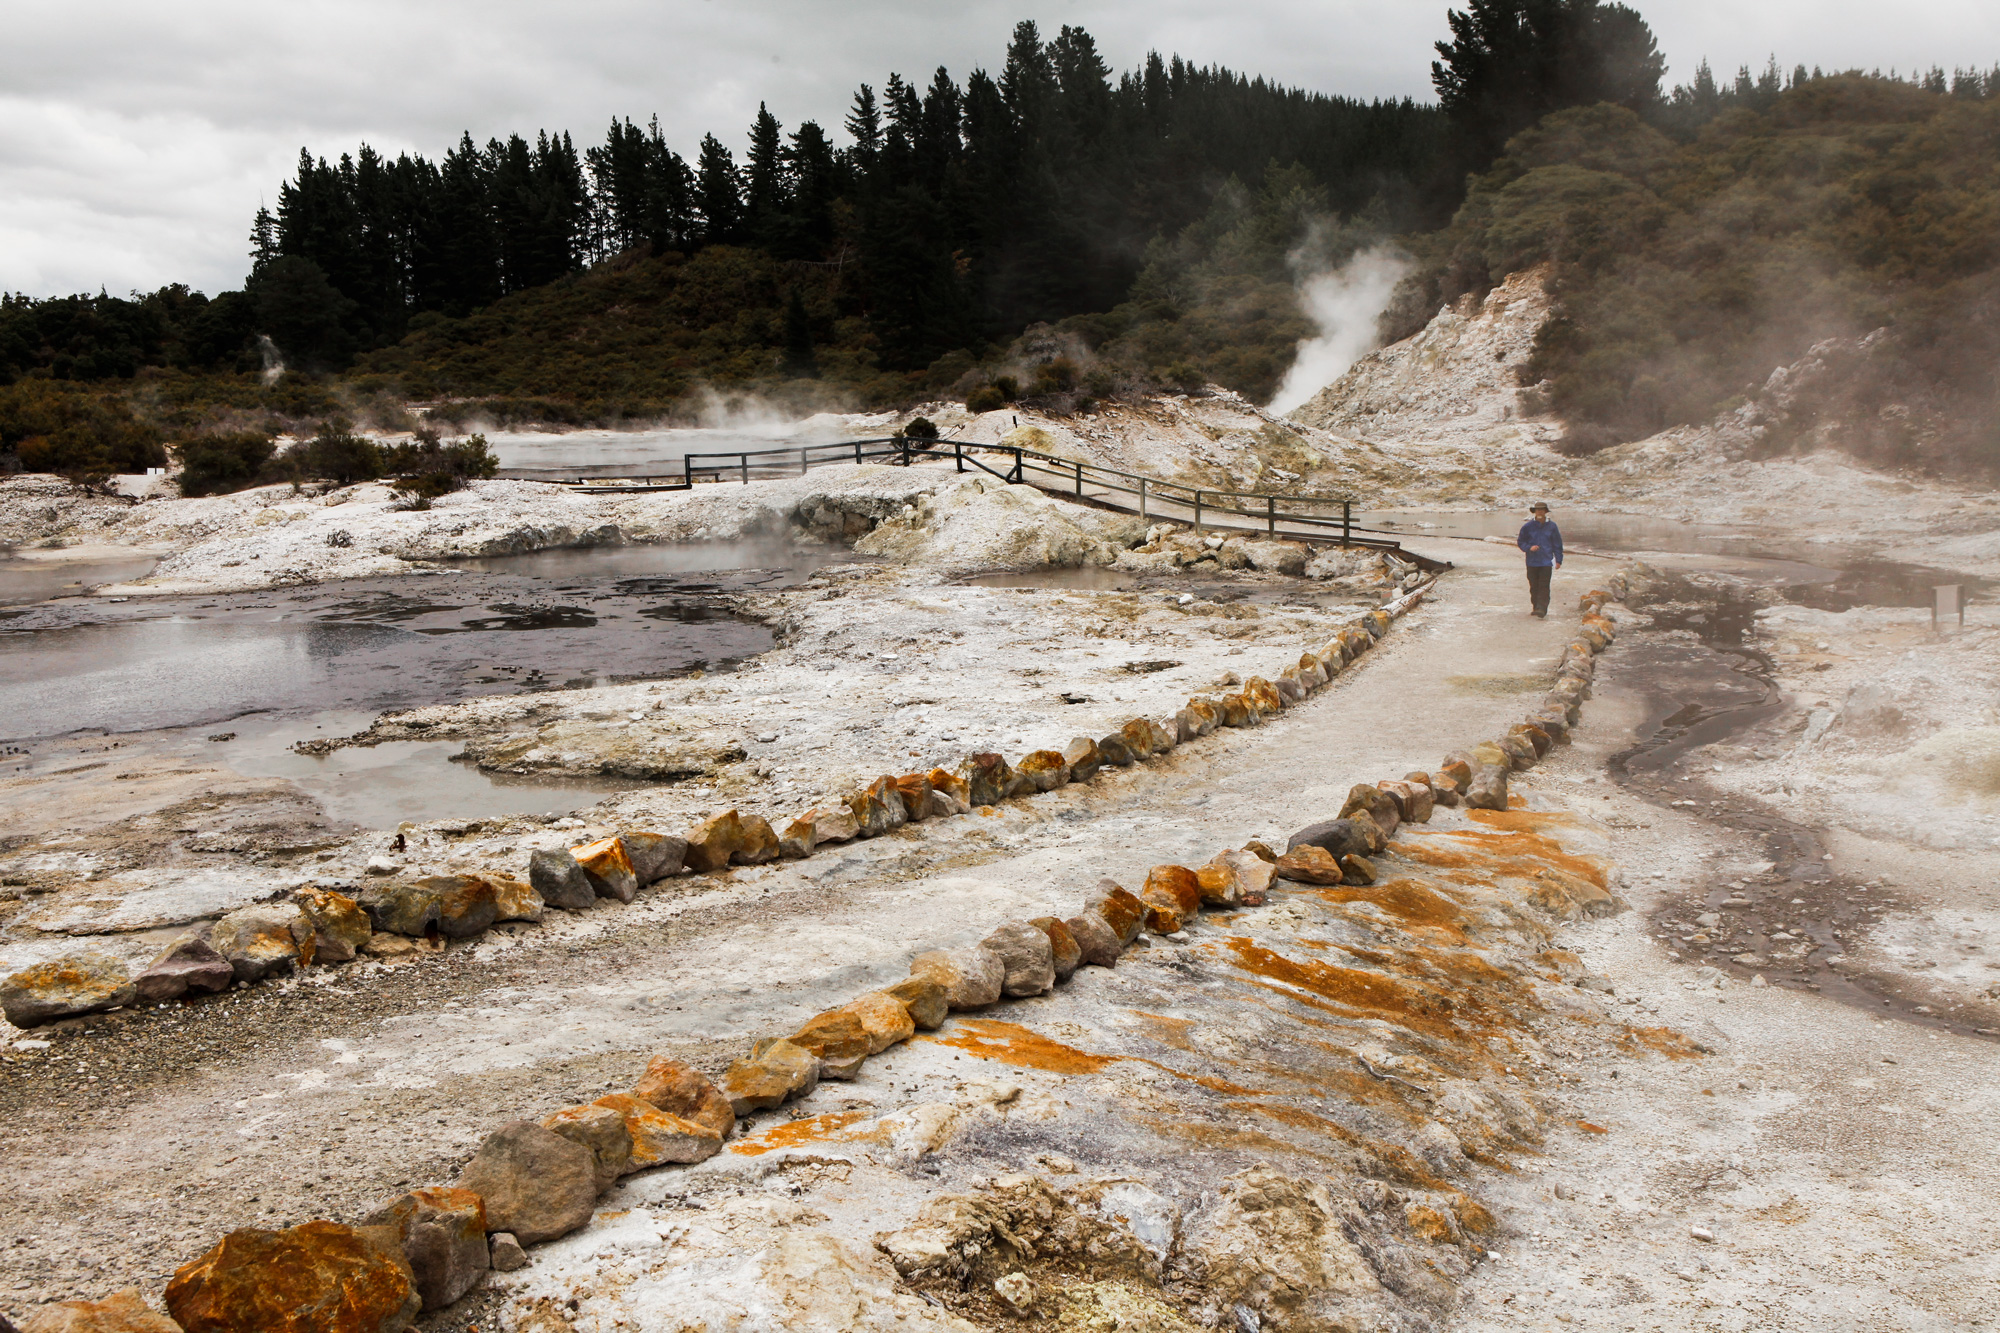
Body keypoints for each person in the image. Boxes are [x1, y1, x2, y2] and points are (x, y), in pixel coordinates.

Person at [1517, 501, 1562, 618]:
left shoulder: (1552, 526)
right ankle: (1536, 606)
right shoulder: (1527, 527)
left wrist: (1558, 560)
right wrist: (1529, 548)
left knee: (1544, 585)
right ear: (1534, 512)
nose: (1540, 512)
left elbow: (1557, 544)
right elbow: (1521, 542)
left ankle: (1542, 608)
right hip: (1532, 561)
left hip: (1546, 561)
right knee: (1534, 585)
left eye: (1542, 509)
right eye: (1538, 510)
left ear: (1546, 511)